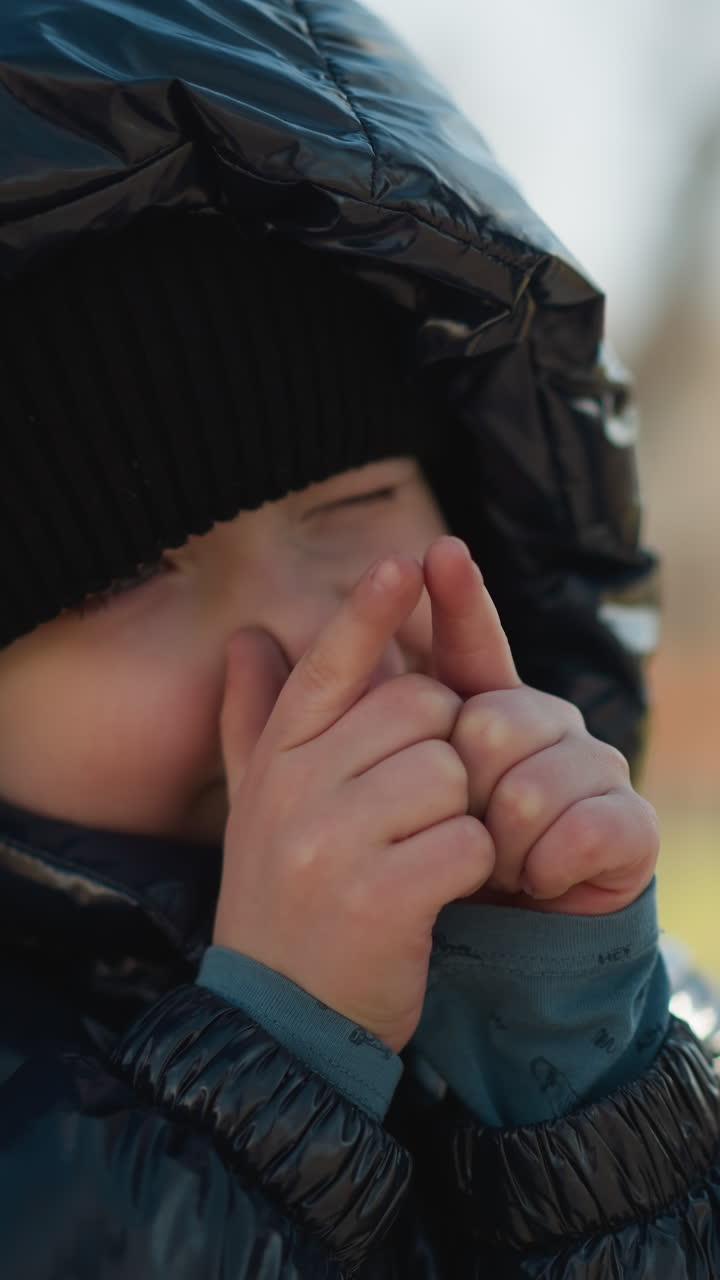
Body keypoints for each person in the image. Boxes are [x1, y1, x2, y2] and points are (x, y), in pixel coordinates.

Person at [0, 3, 718, 1278]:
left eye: (355, 505)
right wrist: (267, 1079)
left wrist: (581, 1090)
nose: (304, 628)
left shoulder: (637, 1008)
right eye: (120, 575)